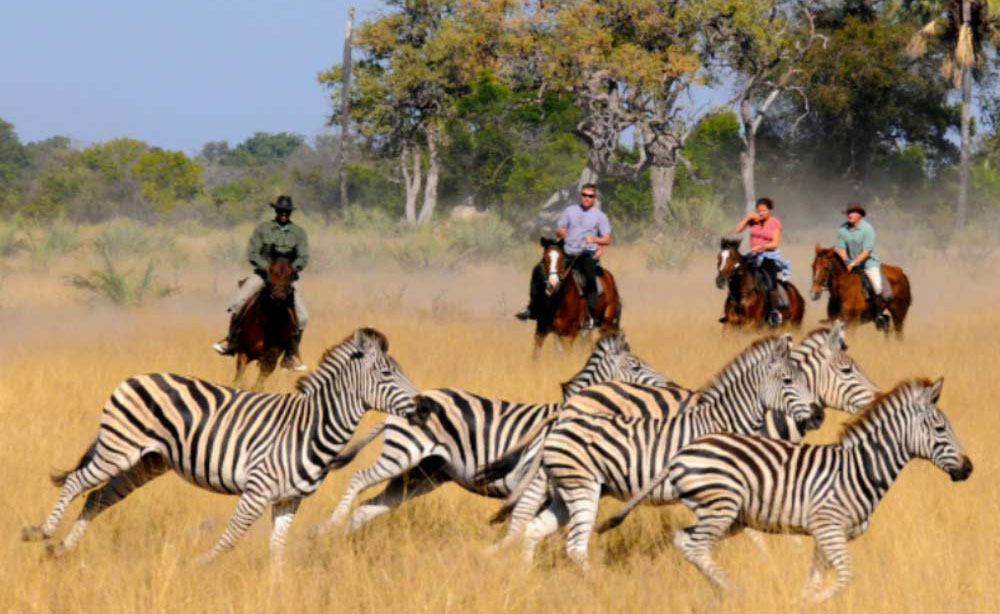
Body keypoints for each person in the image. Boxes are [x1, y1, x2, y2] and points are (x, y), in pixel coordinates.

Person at [212, 195, 310, 370]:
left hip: (287, 278)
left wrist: (290, 270)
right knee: (238, 302)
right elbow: (253, 253)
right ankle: (231, 341)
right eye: (280, 210)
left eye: (286, 211)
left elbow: (303, 257)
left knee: (302, 316)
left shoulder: (299, 233)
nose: (283, 214)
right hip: (263, 274)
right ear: (276, 211)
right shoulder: (263, 229)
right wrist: (266, 268)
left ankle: (290, 356)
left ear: (290, 212)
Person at [515, 184, 611, 330]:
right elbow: (560, 229)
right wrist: (560, 231)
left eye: (590, 196)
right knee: (539, 271)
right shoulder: (569, 211)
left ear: (594, 198)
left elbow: (606, 239)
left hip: (586, 254)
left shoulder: (600, 216)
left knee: (590, 280)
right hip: (566, 252)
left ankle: (590, 317)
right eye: (584, 195)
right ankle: (531, 308)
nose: (586, 198)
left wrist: (595, 240)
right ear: (580, 195)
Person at [733, 197, 792, 326]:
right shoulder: (753, 221)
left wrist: (761, 247)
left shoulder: (775, 223)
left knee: (770, 281)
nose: (761, 213)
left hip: (769, 256)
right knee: (736, 273)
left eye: (764, 211)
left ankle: (774, 311)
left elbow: (775, 243)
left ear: (770, 211)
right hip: (753, 255)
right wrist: (748, 218)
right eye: (759, 211)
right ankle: (731, 306)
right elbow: (738, 230)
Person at [836, 202, 887, 327]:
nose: (849, 215)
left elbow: (866, 252)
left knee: (877, 286)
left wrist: (853, 263)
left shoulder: (867, 229)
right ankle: (834, 312)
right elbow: (841, 248)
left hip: (868, 264)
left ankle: (879, 316)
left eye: (852, 212)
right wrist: (846, 261)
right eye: (848, 213)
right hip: (849, 264)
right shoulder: (842, 229)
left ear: (860, 215)